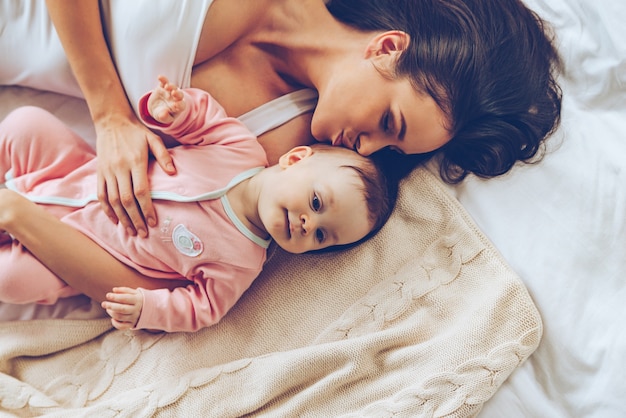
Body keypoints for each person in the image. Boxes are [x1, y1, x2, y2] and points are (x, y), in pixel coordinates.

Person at [1, 0, 562, 237]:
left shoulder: (284, 149)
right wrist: (111, 116)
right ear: (388, 47)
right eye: (389, 124)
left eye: (390, 151)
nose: (367, 150)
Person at [0, 77, 396, 332]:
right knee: (25, 124)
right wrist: (176, 111)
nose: (309, 224)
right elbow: (204, 121)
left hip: (73, 249)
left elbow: (199, 310)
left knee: (14, 280)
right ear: (294, 159)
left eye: (323, 236)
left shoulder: (240, 264)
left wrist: (148, 307)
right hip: (73, 171)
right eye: (316, 202)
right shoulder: (241, 149)